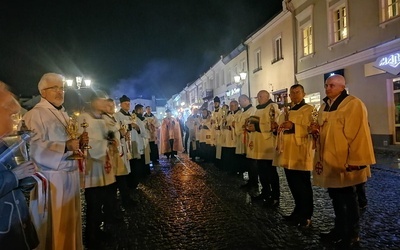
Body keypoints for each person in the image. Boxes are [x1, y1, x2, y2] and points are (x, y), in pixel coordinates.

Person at [310, 74, 375, 248]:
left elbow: (359, 134)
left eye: (331, 85)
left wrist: (356, 160)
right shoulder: (325, 105)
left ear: (342, 87)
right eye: (326, 85)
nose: (327, 88)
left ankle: (352, 234)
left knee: (348, 198)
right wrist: (316, 130)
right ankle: (338, 229)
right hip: (330, 160)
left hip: (345, 160)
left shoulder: (353, 104)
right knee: (336, 197)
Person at [24, 73, 83, 250]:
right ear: (43, 91)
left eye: (62, 88)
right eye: (55, 88)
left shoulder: (63, 114)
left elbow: (70, 140)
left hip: (69, 175)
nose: (60, 92)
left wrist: (79, 143)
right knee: (54, 226)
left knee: (69, 225)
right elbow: (34, 148)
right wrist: (65, 147)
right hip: (51, 179)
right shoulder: (35, 114)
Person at [0, 82, 39, 250]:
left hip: (17, 224)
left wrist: (25, 178)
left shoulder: (2, 142)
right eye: (10, 115)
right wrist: (15, 176)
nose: (12, 122)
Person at [77, 96, 116, 248]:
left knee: (103, 201)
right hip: (92, 167)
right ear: (93, 102)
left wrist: (111, 139)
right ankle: (91, 236)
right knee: (93, 204)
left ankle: (98, 231)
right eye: (101, 100)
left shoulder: (104, 118)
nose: (104, 103)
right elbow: (85, 142)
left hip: (104, 166)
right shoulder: (83, 118)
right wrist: (105, 142)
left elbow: (111, 133)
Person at [274, 84, 314, 228]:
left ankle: (307, 214)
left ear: (304, 94)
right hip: (288, 150)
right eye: (292, 93)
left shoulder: (310, 109)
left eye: (298, 92)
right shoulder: (286, 111)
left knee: (303, 185)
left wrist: (294, 126)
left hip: (301, 150)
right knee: (293, 184)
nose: (295, 95)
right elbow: (280, 128)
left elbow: (312, 128)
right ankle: (297, 210)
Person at [246, 90, 280, 207]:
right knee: (261, 171)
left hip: (268, 144)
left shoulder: (272, 107)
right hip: (258, 143)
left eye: (261, 96)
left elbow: (273, 124)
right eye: (258, 96)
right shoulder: (258, 108)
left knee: (271, 172)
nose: (259, 98)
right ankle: (265, 192)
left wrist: (256, 127)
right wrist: (249, 126)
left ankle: (275, 196)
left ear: (267, 96)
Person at [235, 95, 256, 188]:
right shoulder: (244, 112)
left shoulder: (252, 110)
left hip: (250, 138)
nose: (239, 103)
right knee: (247, 160)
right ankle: (250, 181)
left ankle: (254, 182)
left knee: (252, 161)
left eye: (240, 101)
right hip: (243, 137)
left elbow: (250, 123)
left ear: (245, 100)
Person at [221, 100, 240, 174]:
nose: (230, 107)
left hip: (234, 137)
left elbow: (239, 125)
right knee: (228, 154)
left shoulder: (239, 114)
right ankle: (229, 169)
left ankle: (236, 170)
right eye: (230, 106)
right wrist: (224, 122)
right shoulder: (229, 114)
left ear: (236, 105)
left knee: (234, 155)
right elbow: (224, 123)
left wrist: (231, 127)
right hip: (227, 137)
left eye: (232, 106)